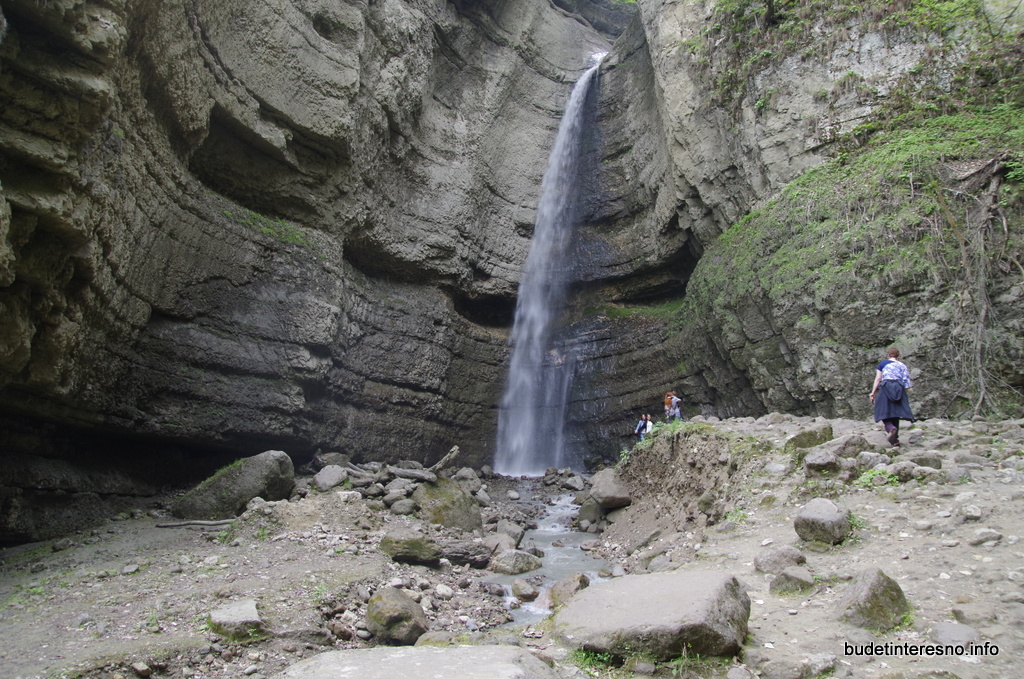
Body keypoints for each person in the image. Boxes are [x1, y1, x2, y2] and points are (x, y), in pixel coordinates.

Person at [869, 348, 914, 447]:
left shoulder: (883, 364)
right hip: (899, 388)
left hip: (886, 386)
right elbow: (906, 382)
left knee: (882, 411)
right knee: (895, 413)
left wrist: (873, 392)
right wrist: (903, 394)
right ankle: (895, 440)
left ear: (888, 355)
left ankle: (890, 428)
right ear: (898, 356)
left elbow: (878, 378)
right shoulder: (902, 365)